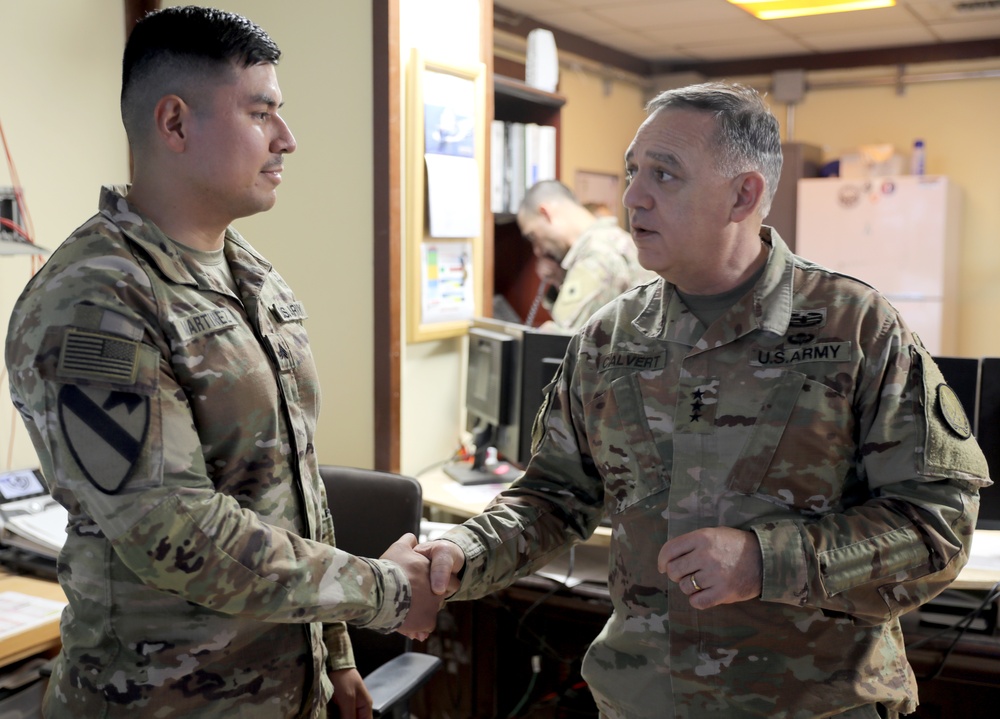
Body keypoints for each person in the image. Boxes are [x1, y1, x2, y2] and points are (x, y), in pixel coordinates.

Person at [414, 82, 991, 717]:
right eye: (634, 170)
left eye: (665, 173)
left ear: (743, 195)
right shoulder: (609, 339)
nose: (634, 196)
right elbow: (552, 499)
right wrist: (461, 552)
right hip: (643, 701)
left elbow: (937, 523)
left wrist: (763, 561)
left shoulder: (853, 327)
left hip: (816, 706)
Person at [4, 7, 441, 718]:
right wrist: (383, 589)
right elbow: (175, 529)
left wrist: (334, 659)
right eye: (261, 112)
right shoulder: (92, 300)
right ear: (175, 124)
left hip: (282, 692)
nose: (287, 139)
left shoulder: (251, 274)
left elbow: (292, 484)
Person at [517, 179, 656, 331]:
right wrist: (559, 279)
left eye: (532, 236)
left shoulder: (597, 255)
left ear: (545, 214)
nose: (537, 250)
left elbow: (563, 340)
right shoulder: (614, 240)